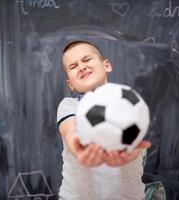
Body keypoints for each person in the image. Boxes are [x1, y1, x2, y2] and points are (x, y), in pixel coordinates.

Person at [56, 40, 151, 200]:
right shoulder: (69, 106)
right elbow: (70, 132)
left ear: (106, 65)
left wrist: (127, 152)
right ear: (70, 84)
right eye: (73, 66)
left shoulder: (130, 102)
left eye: (87, 60)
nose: (81, 66)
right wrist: (81, 149)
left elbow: (135, 144)